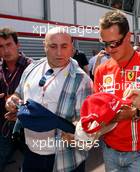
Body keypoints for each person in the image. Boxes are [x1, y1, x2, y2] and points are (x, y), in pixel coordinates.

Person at [5, 27, 93, 172]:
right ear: (44, 46)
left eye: (64, 46)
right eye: (53, 46)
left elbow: (88, 124)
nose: (59, 52)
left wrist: (77, 134)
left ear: (71, 48)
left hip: (64, 160)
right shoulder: (31, 69)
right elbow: (18, 93)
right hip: (30, 153)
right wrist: (13, 101)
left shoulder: (82, 81)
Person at [94, 10, 140, 172]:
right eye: (105, 44)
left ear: (128, 37)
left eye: (114, 43)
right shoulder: (101, 70)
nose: (109, 49)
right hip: (109, 151)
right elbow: (97, 112)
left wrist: (135, 114)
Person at [0, 27, 32, 171]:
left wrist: (20, 111)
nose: (5, 50)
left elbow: (42, 101)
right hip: (3, 128)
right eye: (1, 46)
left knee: (31, 166)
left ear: (18, 45)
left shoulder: (32, 68)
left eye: (9, 45)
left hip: (28, 130)